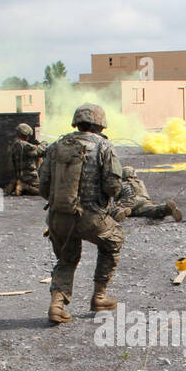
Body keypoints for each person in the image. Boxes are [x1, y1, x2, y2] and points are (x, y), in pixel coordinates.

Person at [37, 102, 124, 324]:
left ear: (77, 122)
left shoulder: (57, 145)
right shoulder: (105, 148)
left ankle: (57, 305)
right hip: (90, 217)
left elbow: (43, 186)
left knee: (66, 259)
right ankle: (100, 296)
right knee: (113, 240)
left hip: (59, 217)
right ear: (100, 124)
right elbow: (113, 187)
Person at [114, 166, 183, 222]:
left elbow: (115, 196)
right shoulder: (140, 183)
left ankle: (123, 211)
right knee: (151, 209)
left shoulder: (122, 184)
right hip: (144, 201)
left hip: (130, 202)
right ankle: (165, 209)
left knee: (115, 208)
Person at [8, 123, 47, 196]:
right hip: (28, 176)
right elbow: (40, 151)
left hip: (17, 176)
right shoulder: (24, 146)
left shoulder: (14, 144)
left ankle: (19, 186)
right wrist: (44, 144)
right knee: (44, 191)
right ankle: (25, 186)